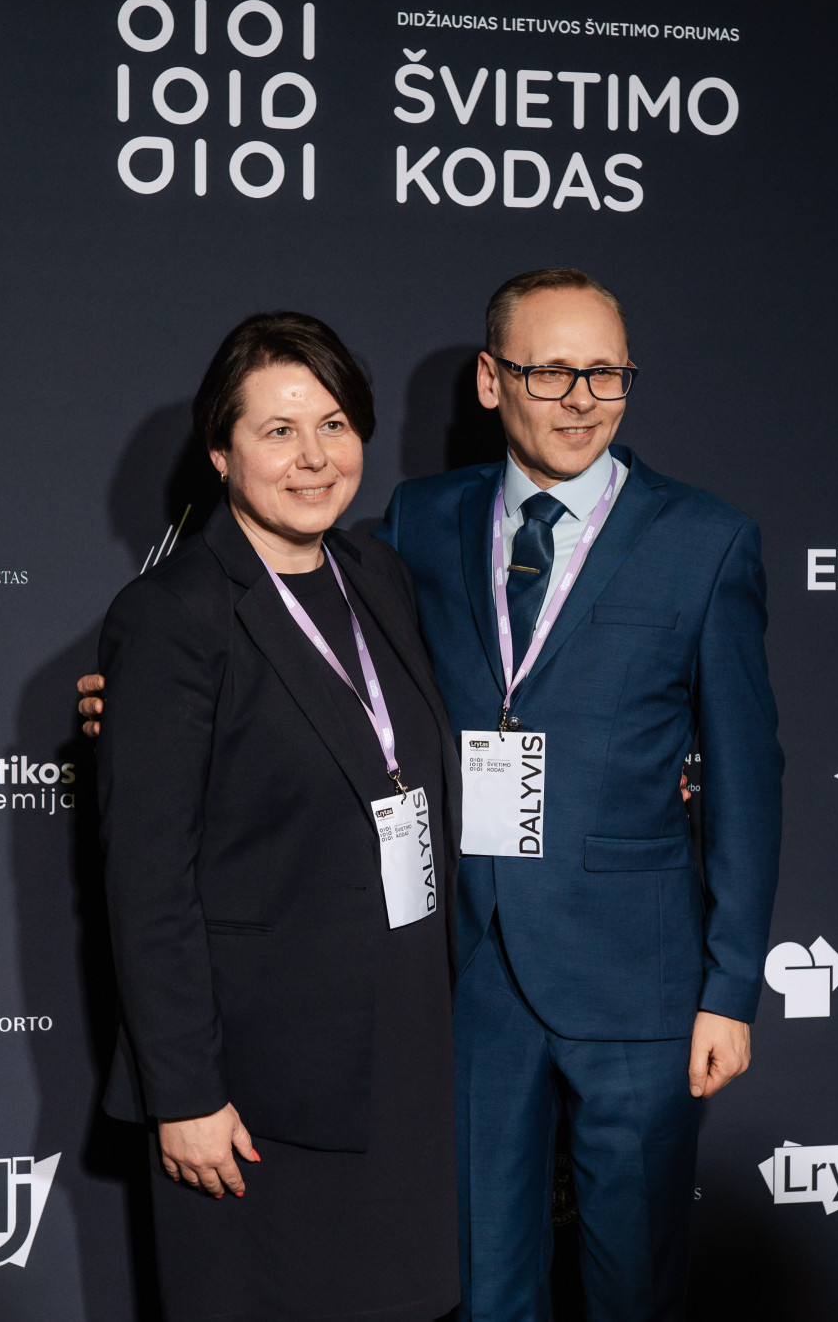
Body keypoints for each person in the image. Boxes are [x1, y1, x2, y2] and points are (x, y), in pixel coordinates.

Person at [84, 271, 782, 1322]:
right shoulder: (419, 523)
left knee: (635, 1287)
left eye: (605, 373)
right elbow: (258, 660)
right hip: (468, 984)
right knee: (479, 1290)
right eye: (550, 371)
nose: (580, 397)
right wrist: (131, 700)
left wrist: (730, 984)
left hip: (633, 983)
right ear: (492, 380)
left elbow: (746, 778)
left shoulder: (704, 540)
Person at [95, 311, 459, 1322]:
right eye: (279, 430)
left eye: (334, 425)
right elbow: (146, 879)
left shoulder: (377, 576)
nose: (314, 456)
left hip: (404, 1053)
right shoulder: (174, 615)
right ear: (220, 452)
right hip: (257, 1088)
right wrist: (184, 1093)